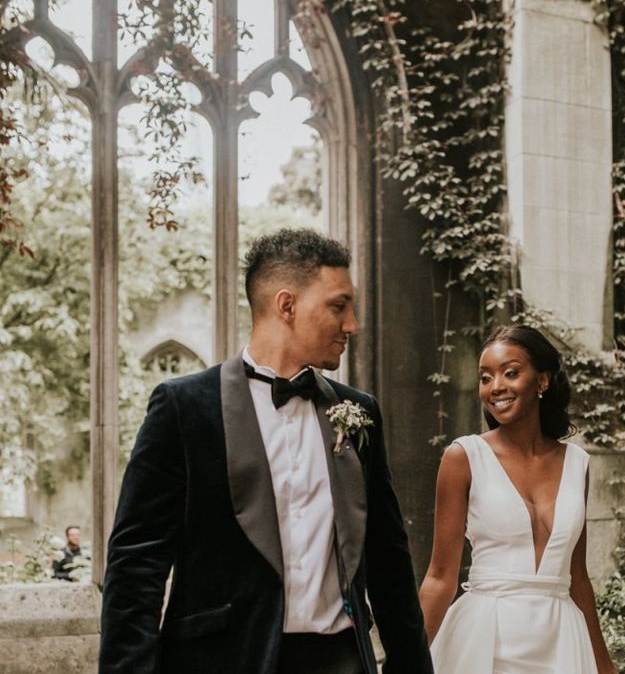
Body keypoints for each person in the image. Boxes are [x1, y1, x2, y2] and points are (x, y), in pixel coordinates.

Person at [99, 229, 433, 674]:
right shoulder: (184, 408)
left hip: (341, 661)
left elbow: (388, 558)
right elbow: (137, 564)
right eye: (339, 306)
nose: (352, 324)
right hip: (220, 660)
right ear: (287, 305)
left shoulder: (359, 412)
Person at [419, 325, 616, 673]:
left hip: (561, 642)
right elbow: (439, 577)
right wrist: (407, 660)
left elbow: (578, 578)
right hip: (485, 639)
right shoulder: (463, 457)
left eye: (510, 373)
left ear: (542, 381)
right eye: (485, 377)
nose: (495, 387)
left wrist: (604, 664)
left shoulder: (577, 464)